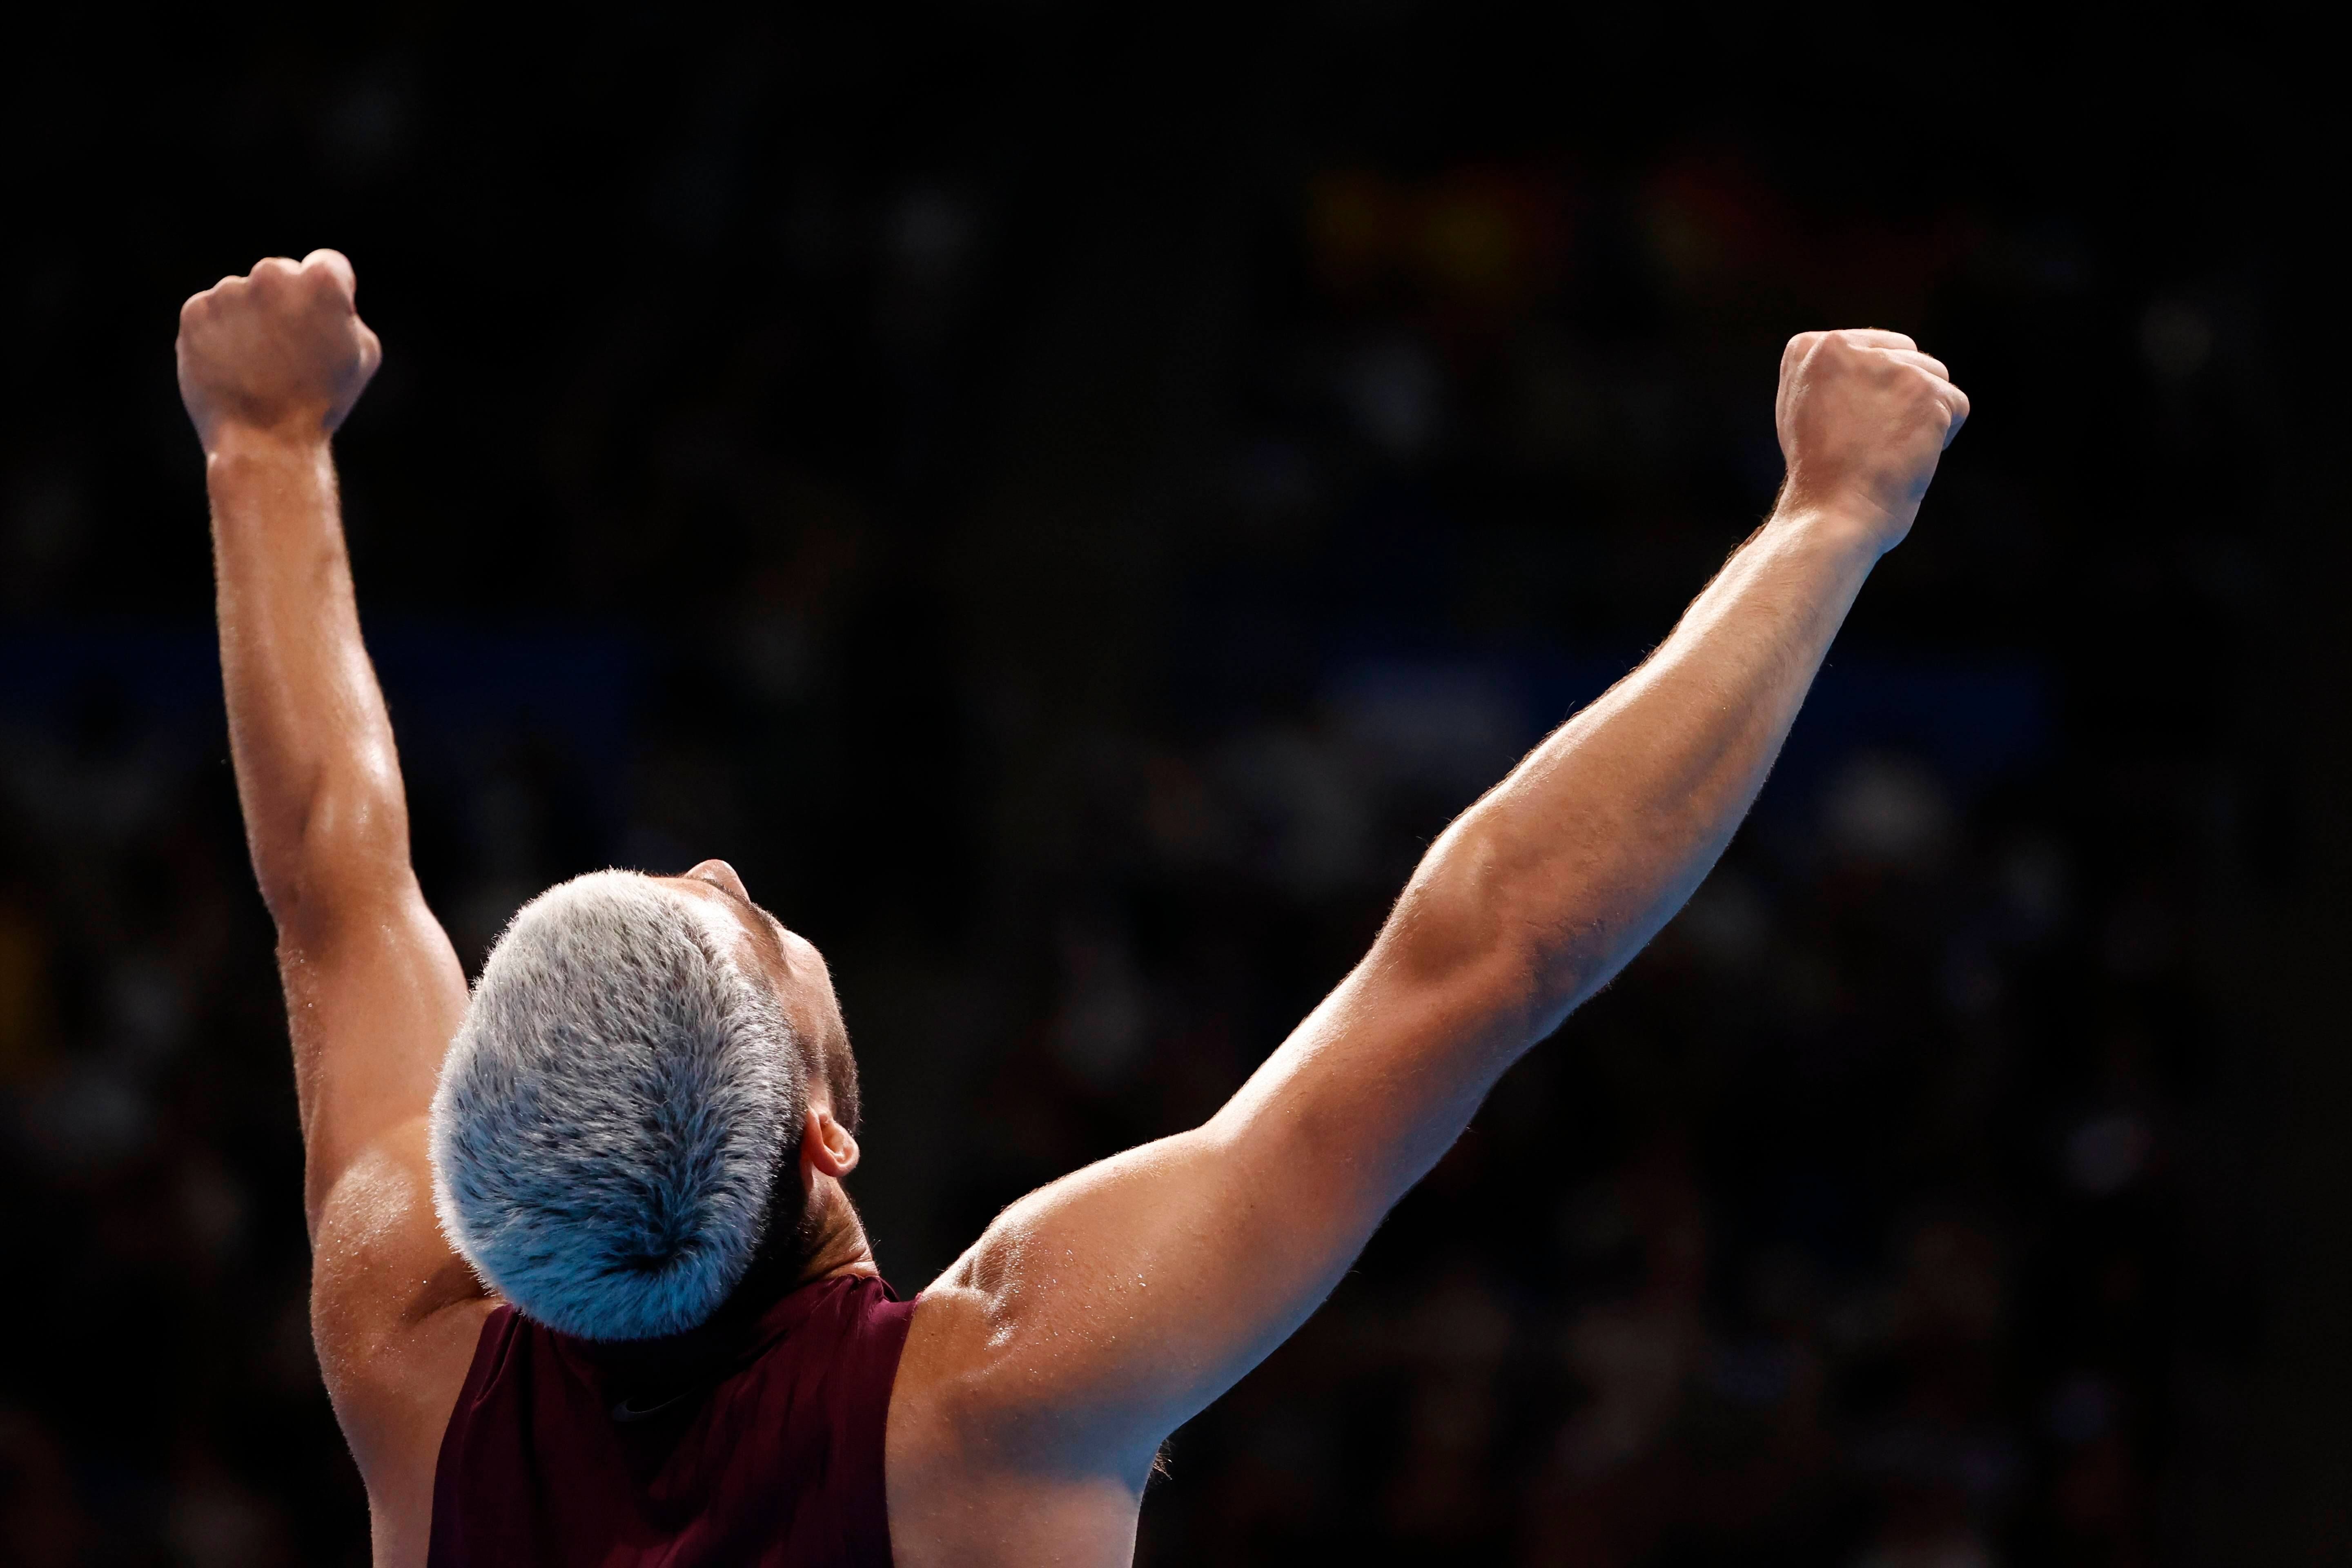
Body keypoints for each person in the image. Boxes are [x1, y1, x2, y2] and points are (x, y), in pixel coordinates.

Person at [174, 249, 1967, 1568]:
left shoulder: (406, 1350)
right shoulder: (996, 1398)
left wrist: (261, 445)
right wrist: (1831, 515)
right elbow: (1489, 954)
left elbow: (336, 885)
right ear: (820, 1138)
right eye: (741, 933)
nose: (722, 871)